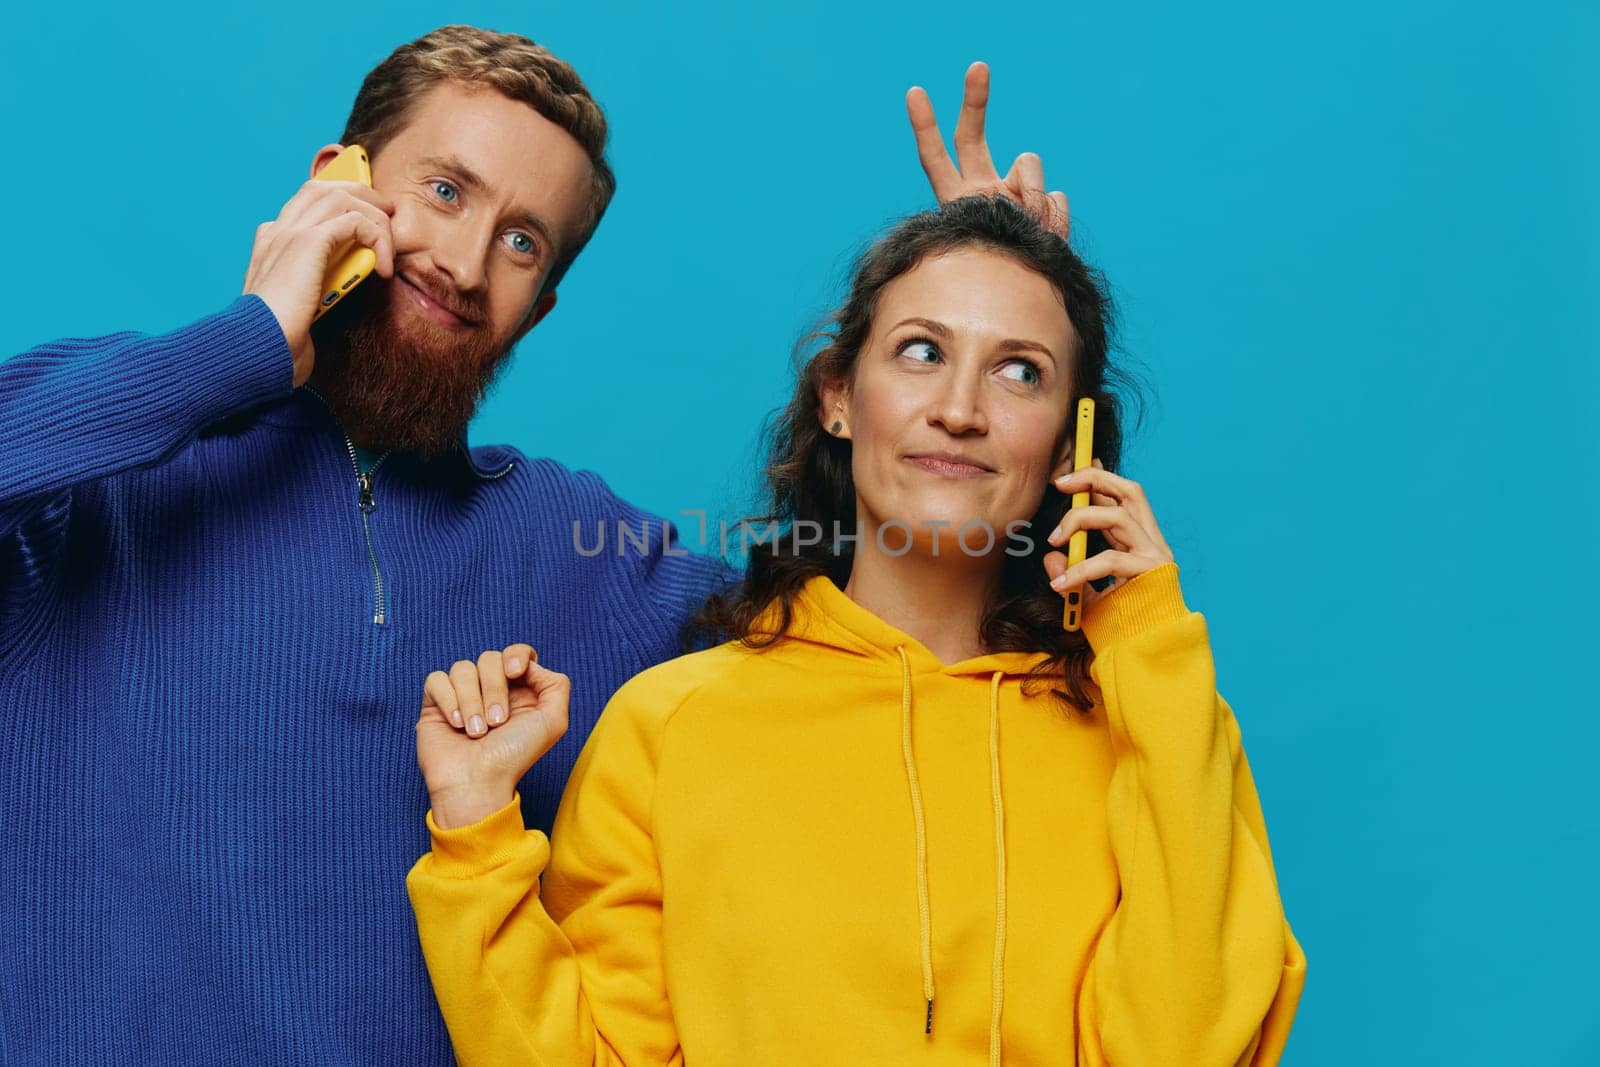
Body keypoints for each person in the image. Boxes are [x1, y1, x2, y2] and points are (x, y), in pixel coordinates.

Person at [0, 22, 1063, 1062]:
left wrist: (991, 308)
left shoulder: (587, 554)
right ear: (337, 178)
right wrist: (249, 341)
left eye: (520, 241)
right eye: (445, 191)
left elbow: (894, 625)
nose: (464, 263)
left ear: (540, 306)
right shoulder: (99, 479)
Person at [407, 195, 1307, 1064]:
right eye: (921, 351)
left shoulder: (1149, 727)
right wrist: (478, 832)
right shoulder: (674, 725)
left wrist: (1147, 634)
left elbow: (1191, 1043)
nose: (960, 407)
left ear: (1071, 449)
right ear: (840, 395)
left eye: (1020, 370)